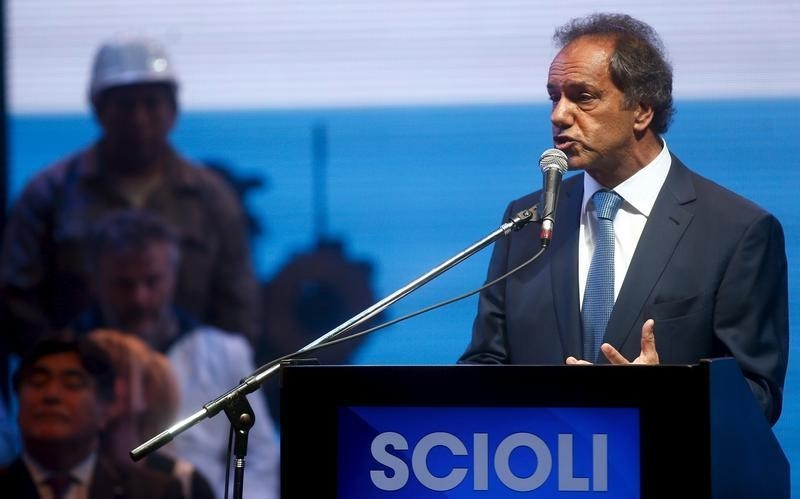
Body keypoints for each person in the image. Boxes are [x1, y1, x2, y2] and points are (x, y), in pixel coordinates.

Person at [459, 13, 788, 426]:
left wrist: (662, 395)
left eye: (582, 97)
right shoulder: (526, 222)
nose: (558, 115)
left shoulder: (736, 231)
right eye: (554, 97)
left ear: (642, 110)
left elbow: (758, 395)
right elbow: (485, 363)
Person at [0, 36, 260, 359]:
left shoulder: (212, 199)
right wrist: (67, 372)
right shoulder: (48, 195)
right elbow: (16, 301)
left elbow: (238, 307)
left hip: (191, 391)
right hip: (81, 390)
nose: (139, 118)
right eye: (125, 104)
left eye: (151, 103)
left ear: (173, 110)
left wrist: (208, 376)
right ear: (99, 110)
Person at [71, 210, 279, 499]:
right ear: (95, 281)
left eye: (152, 281)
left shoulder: (224, 353)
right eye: (123, 284)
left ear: (174, 276)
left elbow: (261, 458)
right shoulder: (66, 357)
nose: (139, 298)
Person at [0, 335, 184, 498]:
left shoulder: (156, 493)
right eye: (37, 382)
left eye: (72, 383)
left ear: (106, 407)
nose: (51, 394)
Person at [88, 329, 215, 499]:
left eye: (115, 373)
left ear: (147, 390)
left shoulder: (185, 481)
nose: (97, 386)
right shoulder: (67, 474)